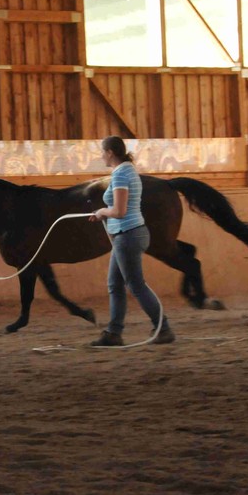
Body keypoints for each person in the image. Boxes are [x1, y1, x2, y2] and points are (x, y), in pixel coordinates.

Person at [88, 136, 175, 347]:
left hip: (128, 235)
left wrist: (101, 212)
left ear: (110, 153)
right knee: (115, 284)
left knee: (135, 285)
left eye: (103, 152)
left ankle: (163, 328)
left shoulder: (121, 175)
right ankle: (114, 333)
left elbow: (119, 210)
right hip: (129, 235)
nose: (101, 156)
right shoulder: (127, 171)